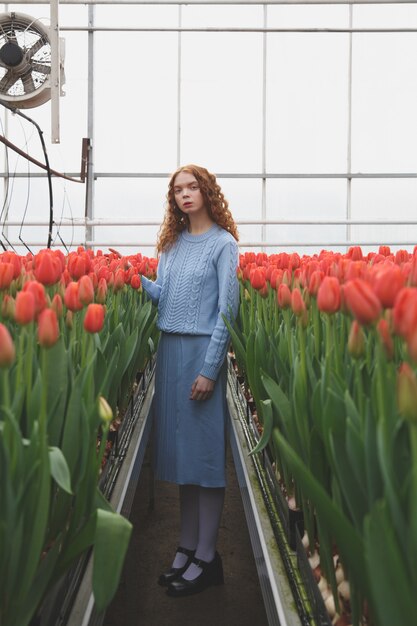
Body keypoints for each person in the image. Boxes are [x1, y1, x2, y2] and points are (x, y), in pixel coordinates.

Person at [141, 164, 239, 598]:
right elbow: (166, 296)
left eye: (192, 187)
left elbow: (227, 311)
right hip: (170, 351)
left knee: (204, 462)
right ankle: (185, 546)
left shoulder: (223, 245)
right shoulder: (171, 244)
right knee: (182, 461)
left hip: (201, 355)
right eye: (177, 190)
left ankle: (207, 555)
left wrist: (210, 369)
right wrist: (133, 279)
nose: (184, 195)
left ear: (206, 192)